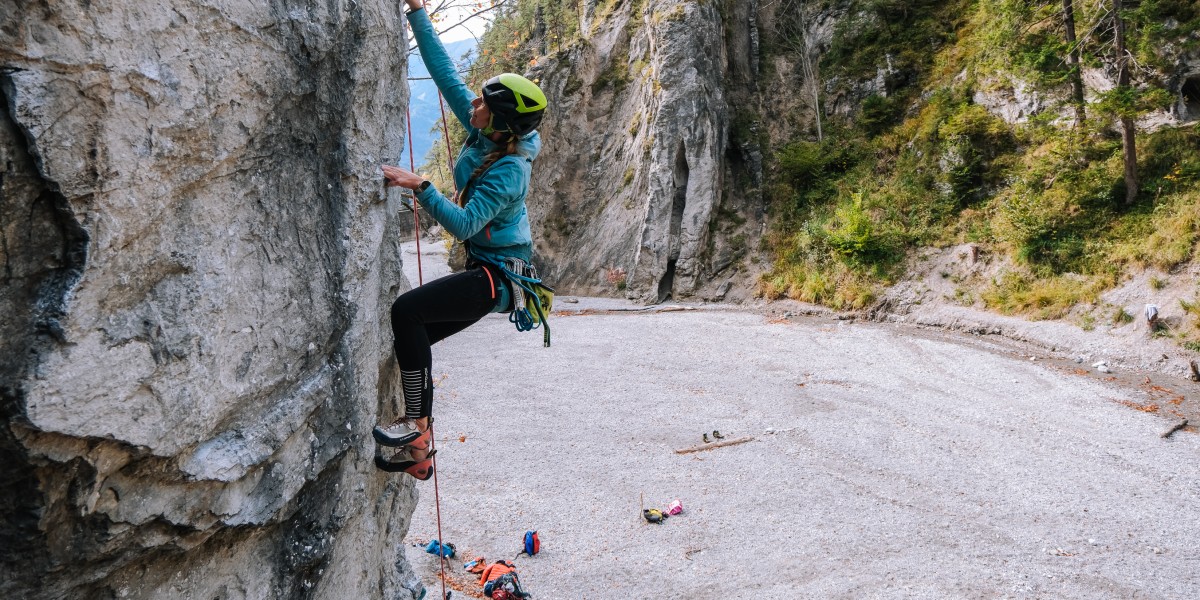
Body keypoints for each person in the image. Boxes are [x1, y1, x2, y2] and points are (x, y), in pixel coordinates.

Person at [375, 0, 548, 480]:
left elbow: (467, 225)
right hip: (487, 272)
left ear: (498, 122)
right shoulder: (488, 133)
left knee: (406, 312)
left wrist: (421, 185)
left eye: (481, 106)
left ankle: (417, 426)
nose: (472, 105)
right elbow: (445, 74)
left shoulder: (511, 170)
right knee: (415, 336)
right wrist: (416, 13)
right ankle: (420, 455)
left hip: (498, 279)